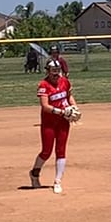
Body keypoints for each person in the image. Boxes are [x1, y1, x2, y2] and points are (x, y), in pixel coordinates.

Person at [30, 58, 75, 195]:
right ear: (48, 71)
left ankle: (57, 181)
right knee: (46, 151)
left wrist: (74, 107)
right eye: (53, 71)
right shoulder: (44, 85)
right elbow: (45, 106)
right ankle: (35, 173)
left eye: (57, 71)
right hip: (49, 123)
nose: (56, 74)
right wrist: (61, 111)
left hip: (63, 122)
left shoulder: (65, 82)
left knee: (61, 150)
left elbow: (69, 97)